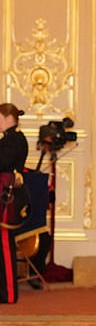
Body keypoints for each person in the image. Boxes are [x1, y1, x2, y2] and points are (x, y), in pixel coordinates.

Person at [0, 103, 29, 303]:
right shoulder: (12, 138)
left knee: (4, 241)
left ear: (7, 117)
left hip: (6, 195)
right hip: (4, 191)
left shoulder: (14, 140)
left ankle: (9, 293)